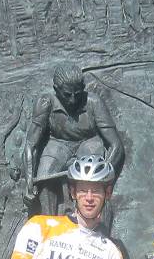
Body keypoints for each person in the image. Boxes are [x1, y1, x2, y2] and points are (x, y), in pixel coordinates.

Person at [23, 65, 124, 215]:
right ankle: (48, 221)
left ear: (83, 88)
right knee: (44, 178)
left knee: (91, 175)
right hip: (58, 143)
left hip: (88, 142)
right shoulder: (45, 102)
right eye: (67, 94)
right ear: (56, 89)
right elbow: (31, 145)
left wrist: (105, 174)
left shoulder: (94, 102)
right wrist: (29, 180)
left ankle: (92, 220)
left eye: (77, 94)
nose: (72, 99)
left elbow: (116, 145)